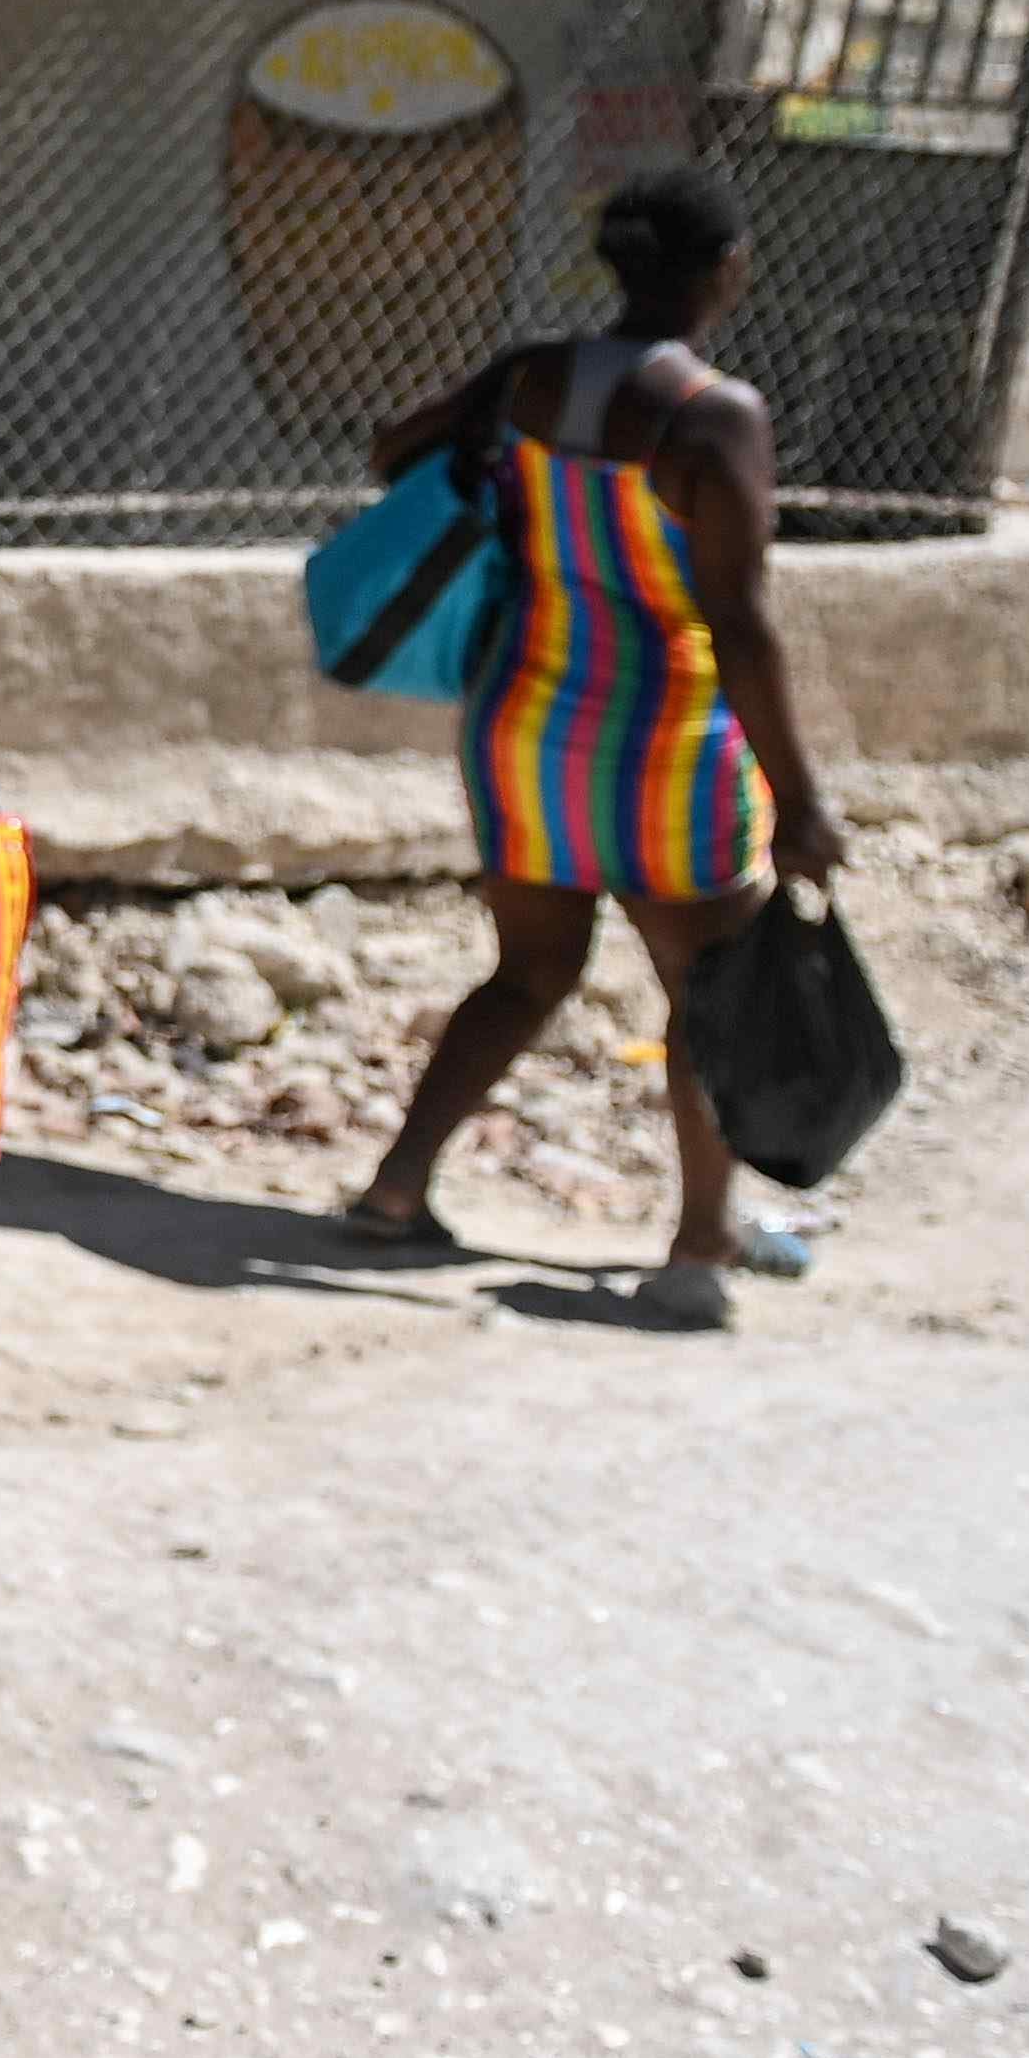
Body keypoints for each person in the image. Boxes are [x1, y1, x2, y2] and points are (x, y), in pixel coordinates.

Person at [345, 162, 846, 1326]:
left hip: (522, 723)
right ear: (729, 270)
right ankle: (696, 1250)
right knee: (707, 993)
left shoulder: (528, 376)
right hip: (662, 742)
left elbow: (390, 448)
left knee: (528, 970)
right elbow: (740, 621)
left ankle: (395, 1185)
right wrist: (802, 797)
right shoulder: (717, 417)